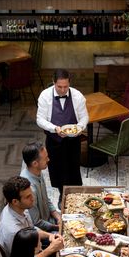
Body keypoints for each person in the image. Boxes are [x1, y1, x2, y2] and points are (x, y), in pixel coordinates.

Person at [36, 68, 89, 207]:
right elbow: (39, 119)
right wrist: (55, 129)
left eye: (66, 86)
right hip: (54, 140)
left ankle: (77, 194)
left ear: (69, 83)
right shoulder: (44, 96)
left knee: (73, 167)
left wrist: (80, 127)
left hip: (73, 139)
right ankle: (62, 195)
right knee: (57, 168)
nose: (63, 90)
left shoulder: (78, 96)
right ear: (53, 82)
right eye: (59, 87)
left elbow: (84, 117)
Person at [0, 176, 64, 257]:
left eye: (31, 193)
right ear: (15, 201)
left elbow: (32, 229)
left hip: (32, 247)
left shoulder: (20, 207)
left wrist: (50, 235)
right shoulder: (13, 231)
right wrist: (50, 249)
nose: (33, 198)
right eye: (28, 197)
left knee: (60, 238)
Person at [21, 141, 61, 232]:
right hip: (42, 230)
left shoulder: (37, 171)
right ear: (35, 163)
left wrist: (57, 215)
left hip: (49, 219)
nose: (49, 159)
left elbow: (45, 198)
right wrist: (58, 227)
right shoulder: (29, 189)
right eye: (46, 158)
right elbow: (36, 222)